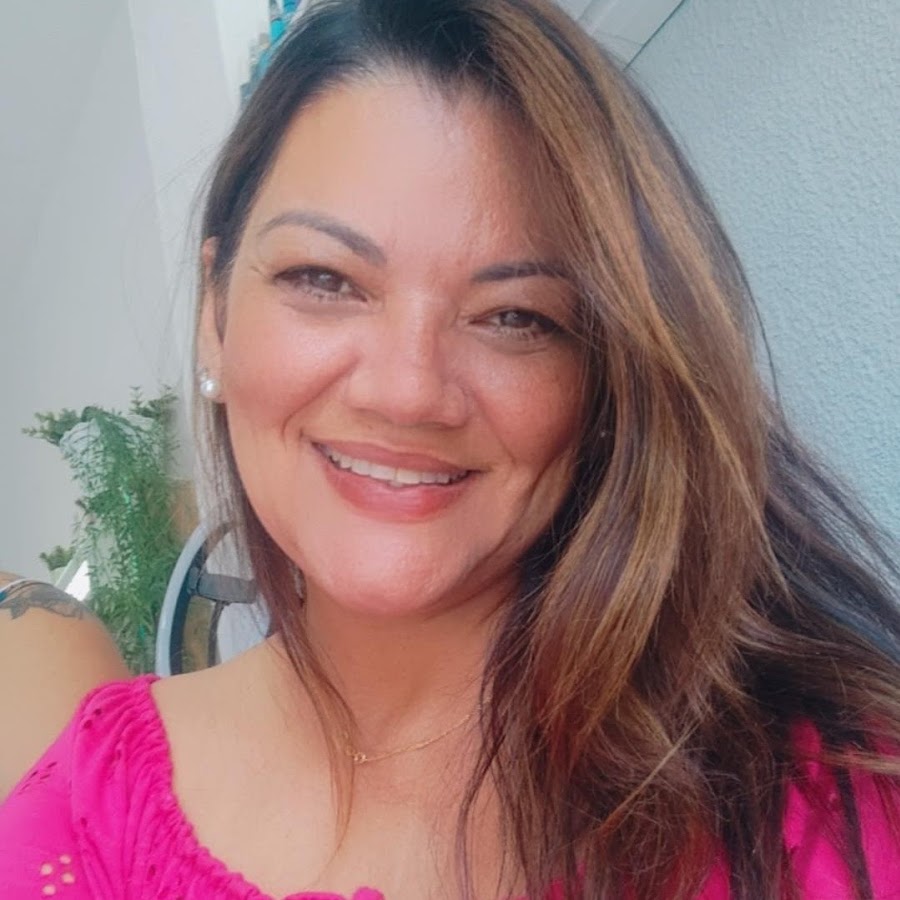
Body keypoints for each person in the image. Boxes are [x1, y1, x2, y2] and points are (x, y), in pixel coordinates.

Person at [1, 0, 899, 897]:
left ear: (605, 376)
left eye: (515, 317)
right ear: (215, 314)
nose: (407, 390)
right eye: (324, 279)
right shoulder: (81, 812)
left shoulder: (822, 813)